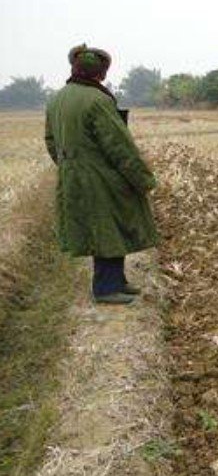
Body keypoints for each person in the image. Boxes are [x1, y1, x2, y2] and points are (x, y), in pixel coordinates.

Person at [44, 44, 159, 305]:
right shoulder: (98, 100)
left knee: (103, 227)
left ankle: (117, 281)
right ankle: (106, 289)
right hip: (100, 177)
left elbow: (50, 141)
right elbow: (119, 145)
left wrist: (68, 167)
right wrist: (143, 179)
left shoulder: (57, 98)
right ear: (99, 74)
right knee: (107, 228)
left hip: (72, 175)